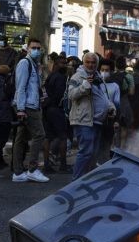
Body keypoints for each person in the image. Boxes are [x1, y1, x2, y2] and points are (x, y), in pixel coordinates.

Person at [67, 52, 115, 180]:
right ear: (83, 63)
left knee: (93, 153)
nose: (90, 65)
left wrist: (110, 107)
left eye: (93, 62)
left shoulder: (98, 77)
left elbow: (102, 96)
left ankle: (86, 180)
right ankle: (76, 181)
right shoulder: (78, 77)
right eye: (88, 62)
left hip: (97, 121)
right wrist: (84, 86)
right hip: (84, 121)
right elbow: (71, 95)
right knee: (86, 152)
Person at [11, 39, 49, 183]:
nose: (37, 50)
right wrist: (20, 109)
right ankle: (32, 169)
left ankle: (18, 172)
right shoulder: (24, 63)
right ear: (27, 49)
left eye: (39, 48)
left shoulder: (34, 65)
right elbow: (20, 87)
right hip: (27, 106)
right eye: (34, 48)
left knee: (21, 139)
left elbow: (33, 87)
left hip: (31, 104)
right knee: (40, 135)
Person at [42, 56, 70, 173]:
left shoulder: (51, 76)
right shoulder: (60, 78)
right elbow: (59, 96)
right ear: (57, 64)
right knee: (63, 137)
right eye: (62, 63)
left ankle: (47, 164)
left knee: (48, 137)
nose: (65, 65)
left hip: (47, 109)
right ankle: (63, 165)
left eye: (65, 63)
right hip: (56, 109)